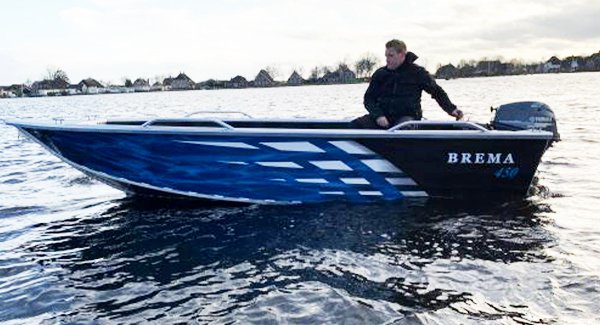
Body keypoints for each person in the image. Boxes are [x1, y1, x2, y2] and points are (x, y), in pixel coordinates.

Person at [352, 39, 463, 129]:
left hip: (407, 117)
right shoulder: (380, 74)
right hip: (383, 117)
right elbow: (369, 99)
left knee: (404, 128)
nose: (387, 59)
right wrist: (378, 116)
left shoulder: (417, 72)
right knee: (354, 125)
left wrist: (451, 109)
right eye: (386, 56)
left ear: (402, 55)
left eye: (390, 56)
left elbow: (437, 92)